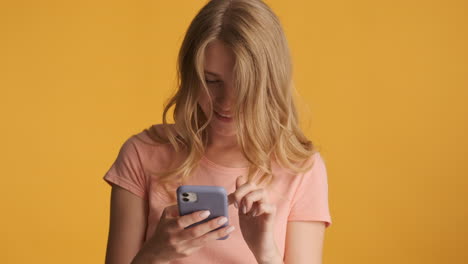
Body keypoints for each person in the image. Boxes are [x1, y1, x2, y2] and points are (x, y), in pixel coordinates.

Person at [103, 0, 332, 263]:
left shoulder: (301, 168)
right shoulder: (142, 153)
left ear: (269, 82)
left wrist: (265, 251)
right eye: (211, 81)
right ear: (191, 75)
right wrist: (155, 254)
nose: (226, 102)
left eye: (244, 86)